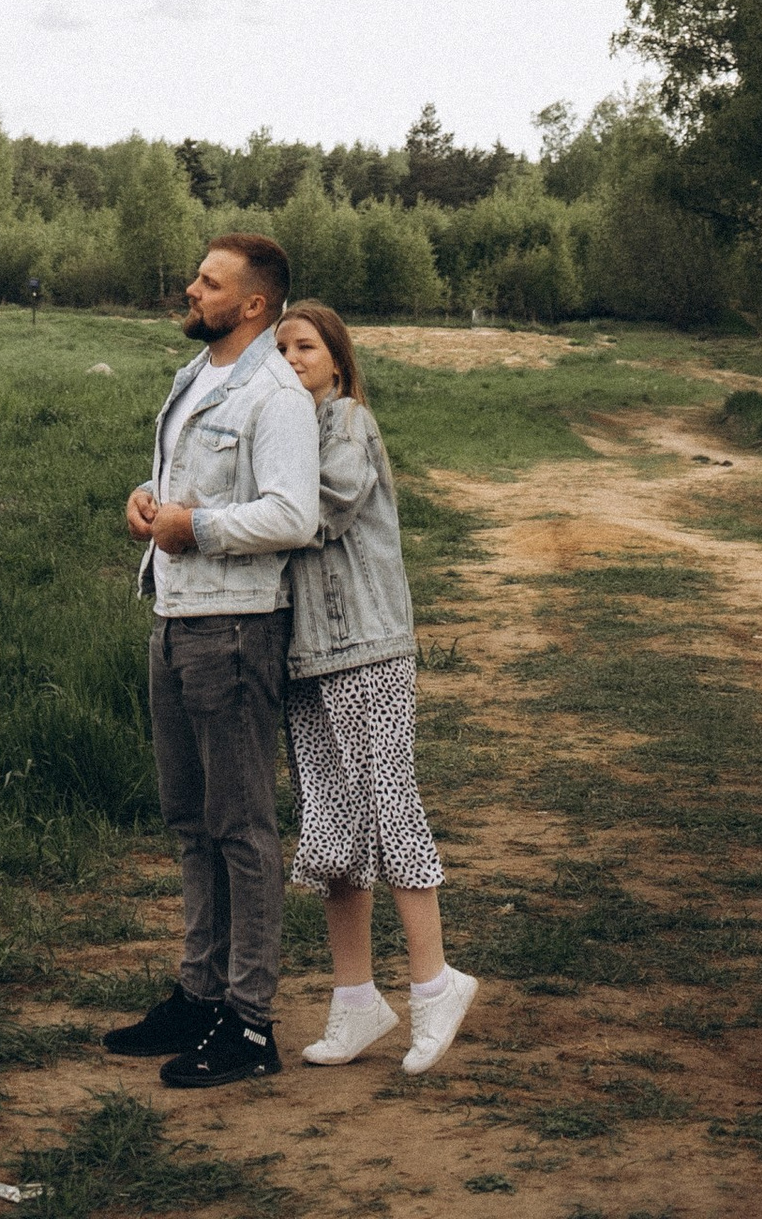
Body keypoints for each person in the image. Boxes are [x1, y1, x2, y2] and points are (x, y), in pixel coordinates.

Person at [102, 232, 320, 1088]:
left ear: (253, 304)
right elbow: (187, 485)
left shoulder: (276, 395)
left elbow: (293, 515)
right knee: (190, 822)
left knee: (241, 829)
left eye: (209, 282)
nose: (191, 289)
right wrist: (147, 502)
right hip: (175, 617)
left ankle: (250, 1024)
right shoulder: (196, 376)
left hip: (234, 632)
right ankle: (199, 996)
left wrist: (195, 527)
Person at [273, 300, 478, 1076]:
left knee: (390, 810)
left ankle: (436, 985)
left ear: (337, 358)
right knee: (331, 829)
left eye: (304, 346)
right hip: (307, 660)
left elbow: (315, 514)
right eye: (280, 351)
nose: (291, 360)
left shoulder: (348, 424)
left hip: (367, 648)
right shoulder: (287, 433)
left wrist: (220, 517)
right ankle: (357, 1002)